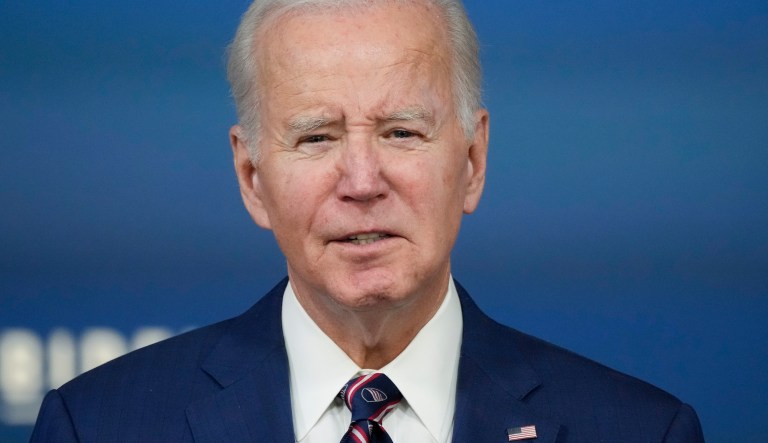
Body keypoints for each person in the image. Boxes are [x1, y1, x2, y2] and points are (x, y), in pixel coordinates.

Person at [30, 0, 705, 442]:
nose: (361, 181)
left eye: (402, 132)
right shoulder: (98, 425)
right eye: (317, 137)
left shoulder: (642, 429)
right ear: (252, 177)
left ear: (472, 160)